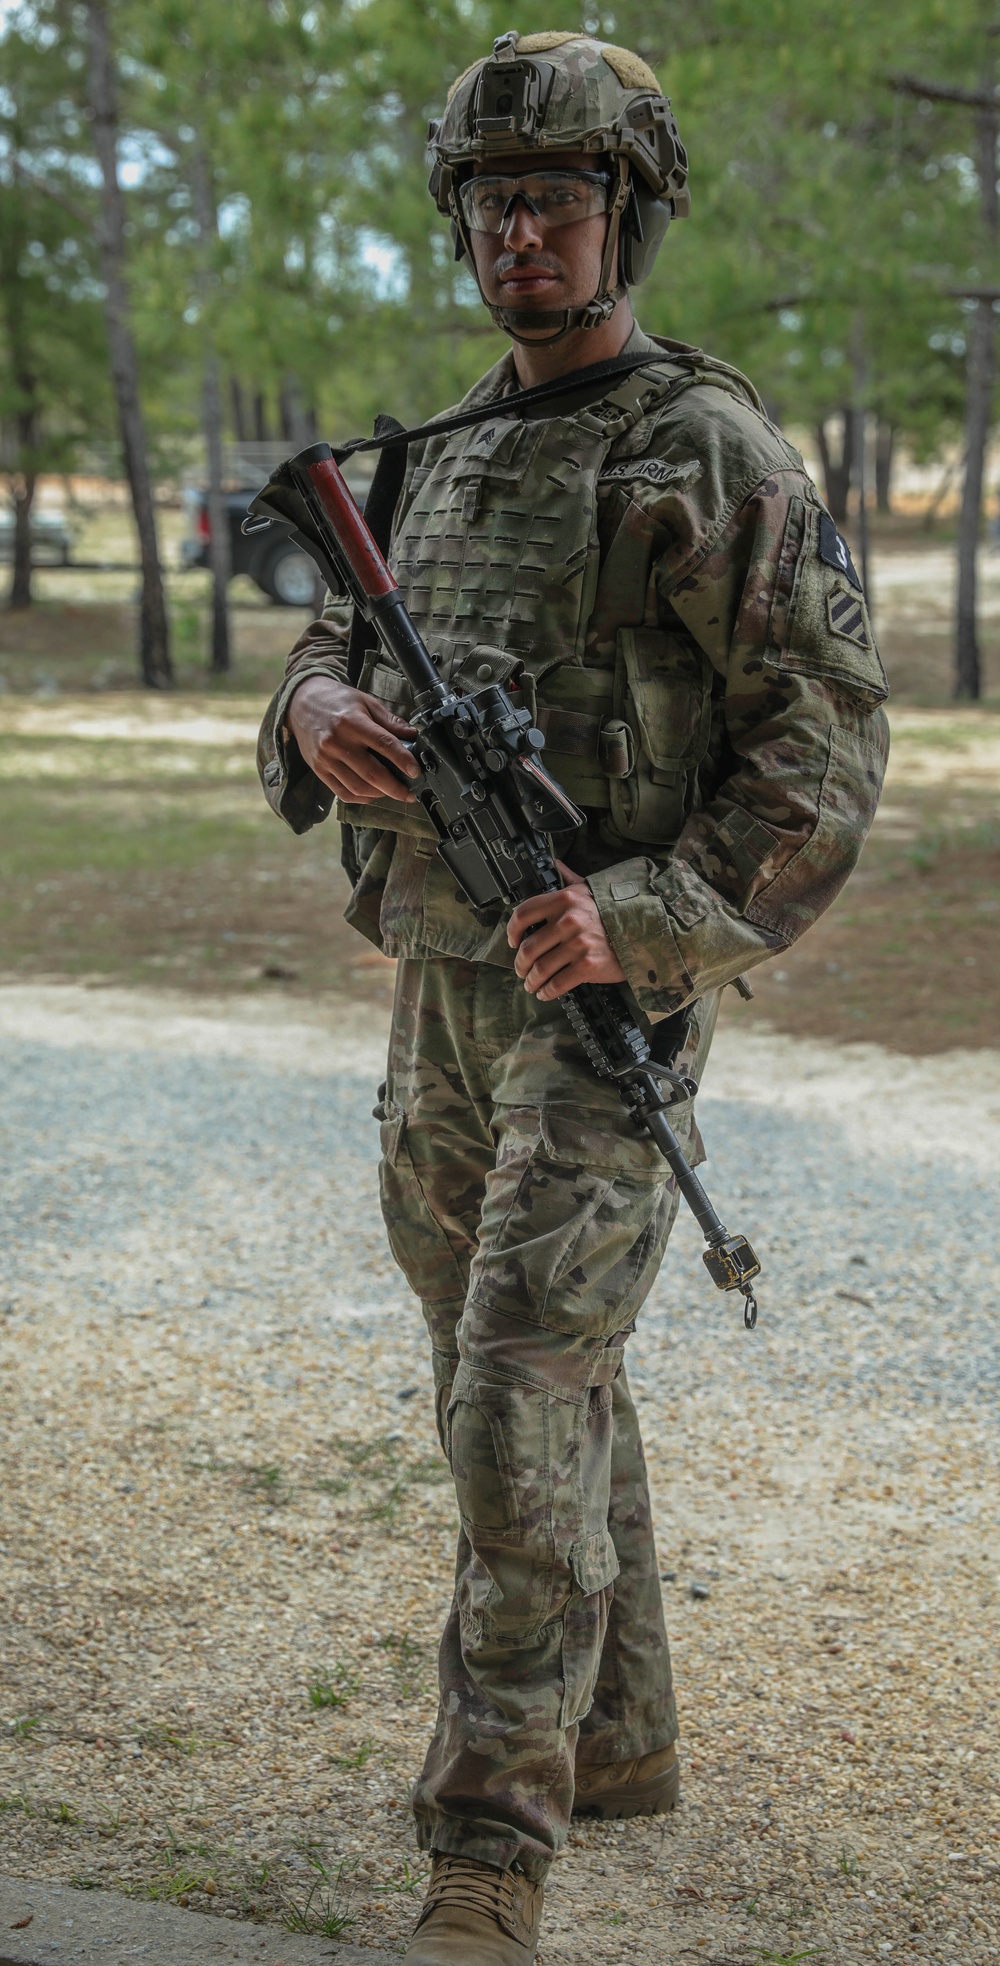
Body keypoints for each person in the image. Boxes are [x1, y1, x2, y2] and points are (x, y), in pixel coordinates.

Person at [257, 32, 889, 1965]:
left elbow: (831, 743)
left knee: (517, 1397)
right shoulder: (435, 457)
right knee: (516, 1379)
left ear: (628, 215)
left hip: (599, 1009)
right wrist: (311, 710)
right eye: (494, 199)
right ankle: (614, 1739)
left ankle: (488, 1845)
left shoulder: (704, 449)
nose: (521, 230)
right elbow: (325, 642)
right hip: (439, 1003)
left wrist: (649, 914)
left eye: (558, 196)